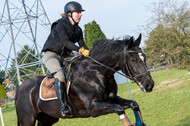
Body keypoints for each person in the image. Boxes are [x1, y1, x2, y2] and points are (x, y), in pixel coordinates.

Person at [42, 1, 89, 116]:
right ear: (69, 13)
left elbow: (82, 43)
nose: (80, 15)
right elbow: (66, 42)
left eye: (80, 13)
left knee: (80, 69)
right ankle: (64, 106)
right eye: (78, 13)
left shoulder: (78, 29)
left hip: (65, 57)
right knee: (60, 76)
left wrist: (88, 52)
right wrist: (80, 50)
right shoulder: (60, 25)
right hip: (51, 55)